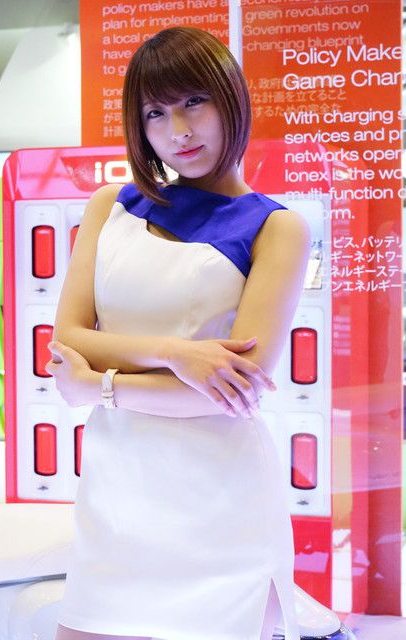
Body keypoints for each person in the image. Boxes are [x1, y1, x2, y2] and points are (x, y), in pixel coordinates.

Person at [47, 26, 311, 640]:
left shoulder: (276, 228)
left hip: (220, 503)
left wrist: (101, 387)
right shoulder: (111, 206)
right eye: (156, 113)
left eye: (195, 101)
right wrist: (176, 354)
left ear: (231, 98)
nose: (179, 131)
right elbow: (69, 335)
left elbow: (232, 393)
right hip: (116, 494)